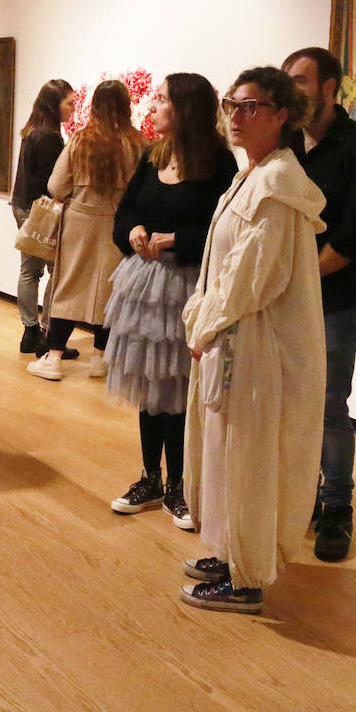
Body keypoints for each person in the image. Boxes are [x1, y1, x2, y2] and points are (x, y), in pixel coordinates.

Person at [179, 67, 327, 614]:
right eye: (232, 105)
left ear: (281, 114)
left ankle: (247, 577)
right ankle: (228, 549)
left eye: (251, 107)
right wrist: (204, 319)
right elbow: (222, 266)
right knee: (225, 449)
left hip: (257, 345)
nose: (237, 117)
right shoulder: (252, 176)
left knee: (250, 457)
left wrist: (204, 323)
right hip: (232, 337)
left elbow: (251, 278)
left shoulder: (277, 186)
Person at [105, 73, 237, 530]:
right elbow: (125, 211)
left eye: (161, 99)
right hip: (145, 285)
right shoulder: (152, 156)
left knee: (180, 387)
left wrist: (176, 239)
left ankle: (181, 484)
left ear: (184, 109)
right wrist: (134, 230)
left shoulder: (219, 164)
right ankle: (151, 477)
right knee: (150, 383)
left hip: (187, 285)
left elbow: (224, 231)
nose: (153, 105)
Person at [283, 46, 356, 562]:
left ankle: (337, 507)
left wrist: (293, 278)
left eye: (301, 80)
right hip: (286, 296)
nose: (292, 89)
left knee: (328, 405)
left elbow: (350, 238)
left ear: (329, 87)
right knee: (288, 403)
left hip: (332, 300)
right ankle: (301, 495)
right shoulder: (287, 143)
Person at [27, 79, 144, 381]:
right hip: (116, 223)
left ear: (95, 106)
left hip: (78, 222)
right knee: (108, 290)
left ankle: (53, 359)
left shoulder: (80, 141)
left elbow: (56, 186)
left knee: (68, 288)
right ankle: (100, 358)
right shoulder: (136, 144)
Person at [9, 78, 74, 355]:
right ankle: (48, 333)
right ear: (54, 104)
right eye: (69, 103)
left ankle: (30, 332)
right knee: (56, 272)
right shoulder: (49, 136)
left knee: (29, 271)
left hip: (23, 205)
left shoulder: (32, 130)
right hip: (41, 210)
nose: (73, 109)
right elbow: (54, 183)